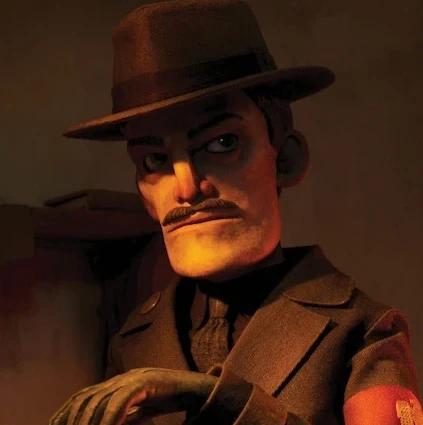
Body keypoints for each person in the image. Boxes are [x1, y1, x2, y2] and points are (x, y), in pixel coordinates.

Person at [49, 1, 422, 424]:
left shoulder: (362, 329)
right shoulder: (134, 341)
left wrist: (216, 396)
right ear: (144, 192)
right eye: (155, 160)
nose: (186, 188)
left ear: (285, 159)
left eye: (221, 143)